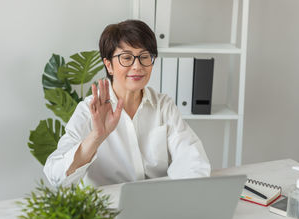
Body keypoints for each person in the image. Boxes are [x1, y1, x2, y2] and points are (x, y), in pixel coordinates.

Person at [44, 20, 211, 187]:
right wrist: (96, 136)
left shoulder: (163, 106)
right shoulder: (89, 110)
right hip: (107, 209)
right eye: (126, 58)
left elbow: (193, 161)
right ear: (109, 65)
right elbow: (56, 176)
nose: (137, 66)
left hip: (156, 204)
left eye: (145, 57)